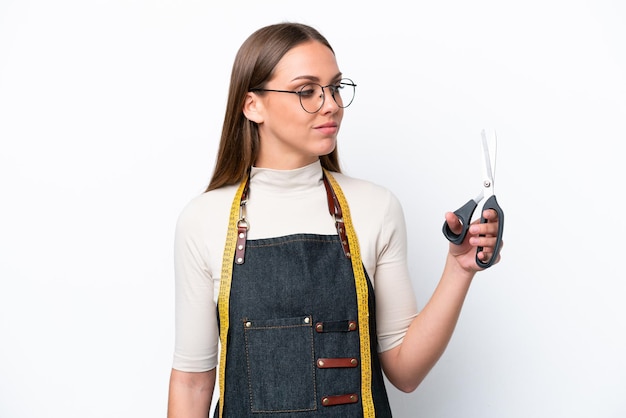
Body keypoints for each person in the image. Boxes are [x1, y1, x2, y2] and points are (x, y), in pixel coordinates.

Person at [166, 22, 502, 418]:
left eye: (336, 87)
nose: (330, 104)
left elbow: (405, 372)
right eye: (307, 90)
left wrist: (459, 269)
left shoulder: (375, 207)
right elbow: (191, 382)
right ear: (252, 104)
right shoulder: (203, 220)